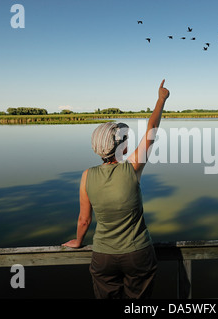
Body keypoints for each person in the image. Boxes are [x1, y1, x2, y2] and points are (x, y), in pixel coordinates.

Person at [62, 79, 170, 299]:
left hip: (103, 256)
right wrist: (161, 99)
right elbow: (152, 129)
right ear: (121, 146)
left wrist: (79, 241)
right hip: (138, 253)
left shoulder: (87, 176)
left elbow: (84, 219)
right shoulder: (132, 168)